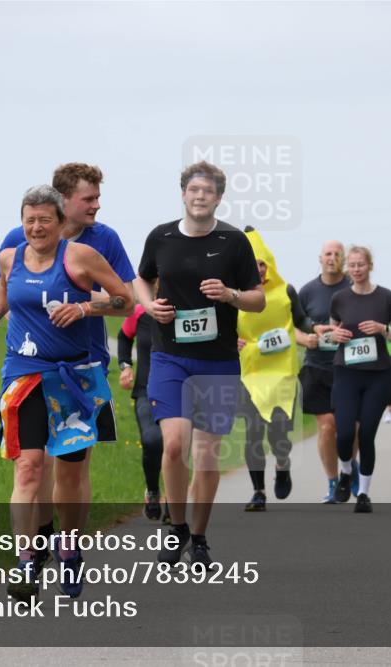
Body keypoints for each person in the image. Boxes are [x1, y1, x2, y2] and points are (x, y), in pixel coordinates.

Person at [0, 185, 132, 601]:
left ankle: (70, 546)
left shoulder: (80, 258)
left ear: (62, 223)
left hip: (74, 379)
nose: (36, 226)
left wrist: (84, 308)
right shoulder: (12, 256)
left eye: (45, 219)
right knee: (27, 468)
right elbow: (5, 289)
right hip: (24, 373)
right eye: (29, 219)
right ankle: (25, 560)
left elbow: (125, 300)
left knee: (70, 471)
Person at [136, 161, 264, 564]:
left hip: (217, 360)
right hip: (170, 355)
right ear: (183, 194)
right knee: (174, 445)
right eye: (193, 190)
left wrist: (229, 295)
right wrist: (148, 306)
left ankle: (201, 536)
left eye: (207, 191)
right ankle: (176, 527)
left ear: (219, 198)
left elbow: (257, 298)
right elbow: (140, 279)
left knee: (207, 453)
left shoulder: (233, 242)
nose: (199, 197)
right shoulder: (161, 236)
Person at [236, 228, 316, 512]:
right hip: (252, 372)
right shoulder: (237, 295)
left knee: (279, 434)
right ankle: (258, 491)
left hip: (282, 372)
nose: (257, 269)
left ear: (268, 264)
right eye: (252, 264)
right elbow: (222, 327)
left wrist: (316, 330)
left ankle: (282, 463)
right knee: (253, 433)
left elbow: (303, 320)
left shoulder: (286, 291)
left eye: (261, 263)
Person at [328, 246, 391, 513]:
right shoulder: (339, 298)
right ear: (347, 268)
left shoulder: (386, 297)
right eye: (352, 265)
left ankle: (363, 493)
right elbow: (330, 333)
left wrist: (384, 329)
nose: (357, 269)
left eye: (361, 264)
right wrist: (332, 337)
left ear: (370, 266)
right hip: (346, 372)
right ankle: (346, 471)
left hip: (378, 375)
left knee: (367, 434)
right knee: (345, 433)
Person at [297, 241, 359, 503]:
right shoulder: (308, 291)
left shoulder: (353, 289)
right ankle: (333, 481)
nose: (332, 258)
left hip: (350, 367)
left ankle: (348, 467)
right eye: (328, 254)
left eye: (337, 254)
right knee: (327, 426)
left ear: (343, 259)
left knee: (351, 428)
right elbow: (295, 327)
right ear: (320, 258)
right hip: (316, 367)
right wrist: (305, 339)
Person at [117, 303, 168, 522]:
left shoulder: (186, 306)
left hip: (180, 391)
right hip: (145, 390)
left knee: (175, 446)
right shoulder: (139, 312)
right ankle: (153, 491)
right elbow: (123, 337)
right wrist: (125, 366)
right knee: (152, 440)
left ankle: (174, 506)